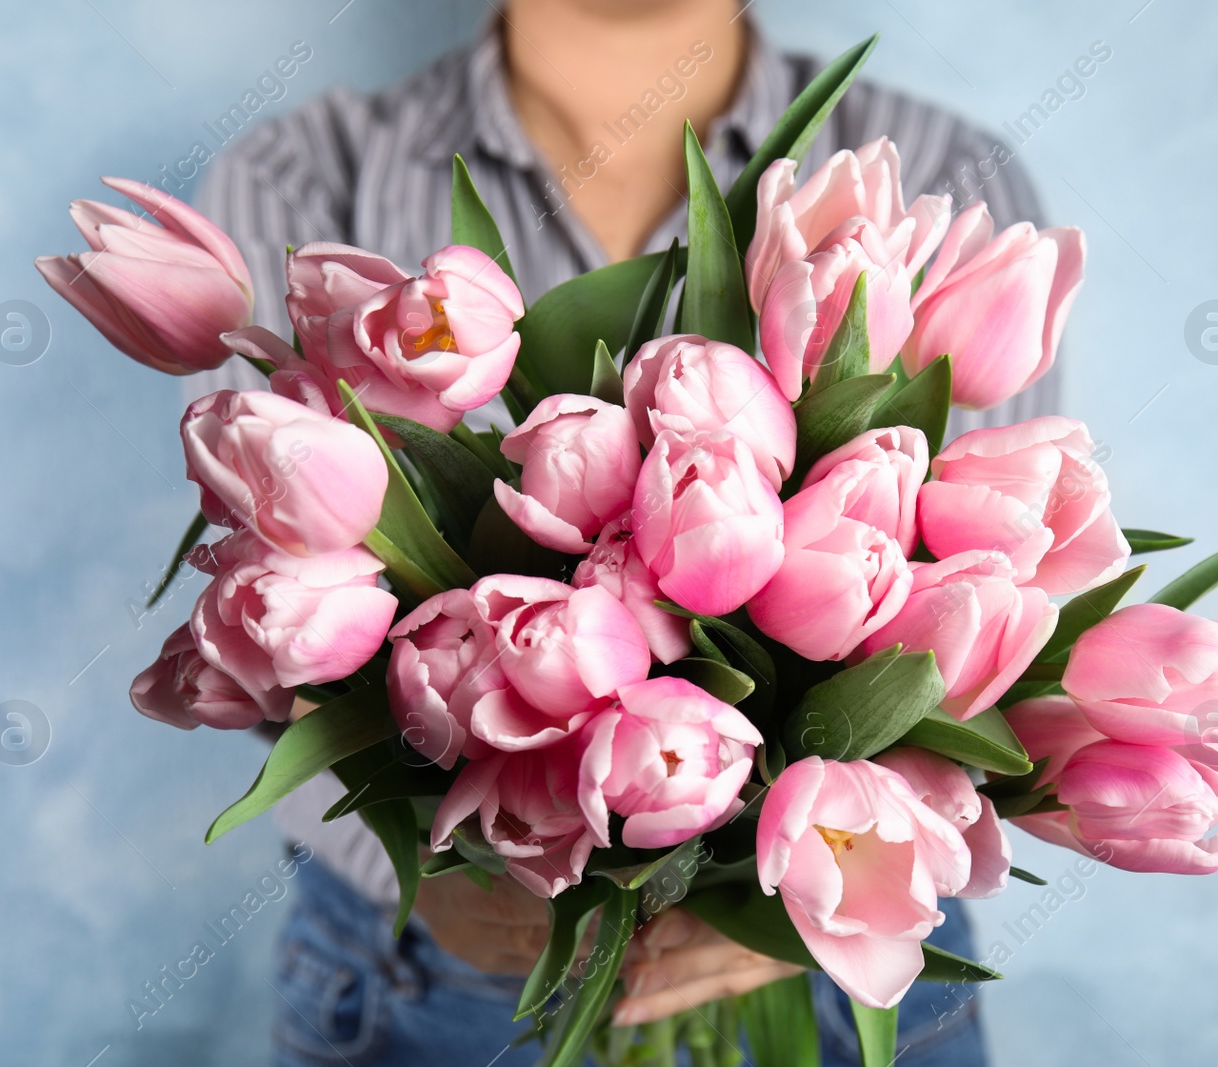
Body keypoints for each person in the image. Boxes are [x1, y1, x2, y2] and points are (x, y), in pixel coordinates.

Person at [188, 1, 1056, 1063]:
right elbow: (265, 619)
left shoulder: (948, 167)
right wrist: (434, 869)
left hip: (837, 965)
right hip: (439, 969)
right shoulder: (299, 179)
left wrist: (798, 904)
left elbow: (1002, 591)